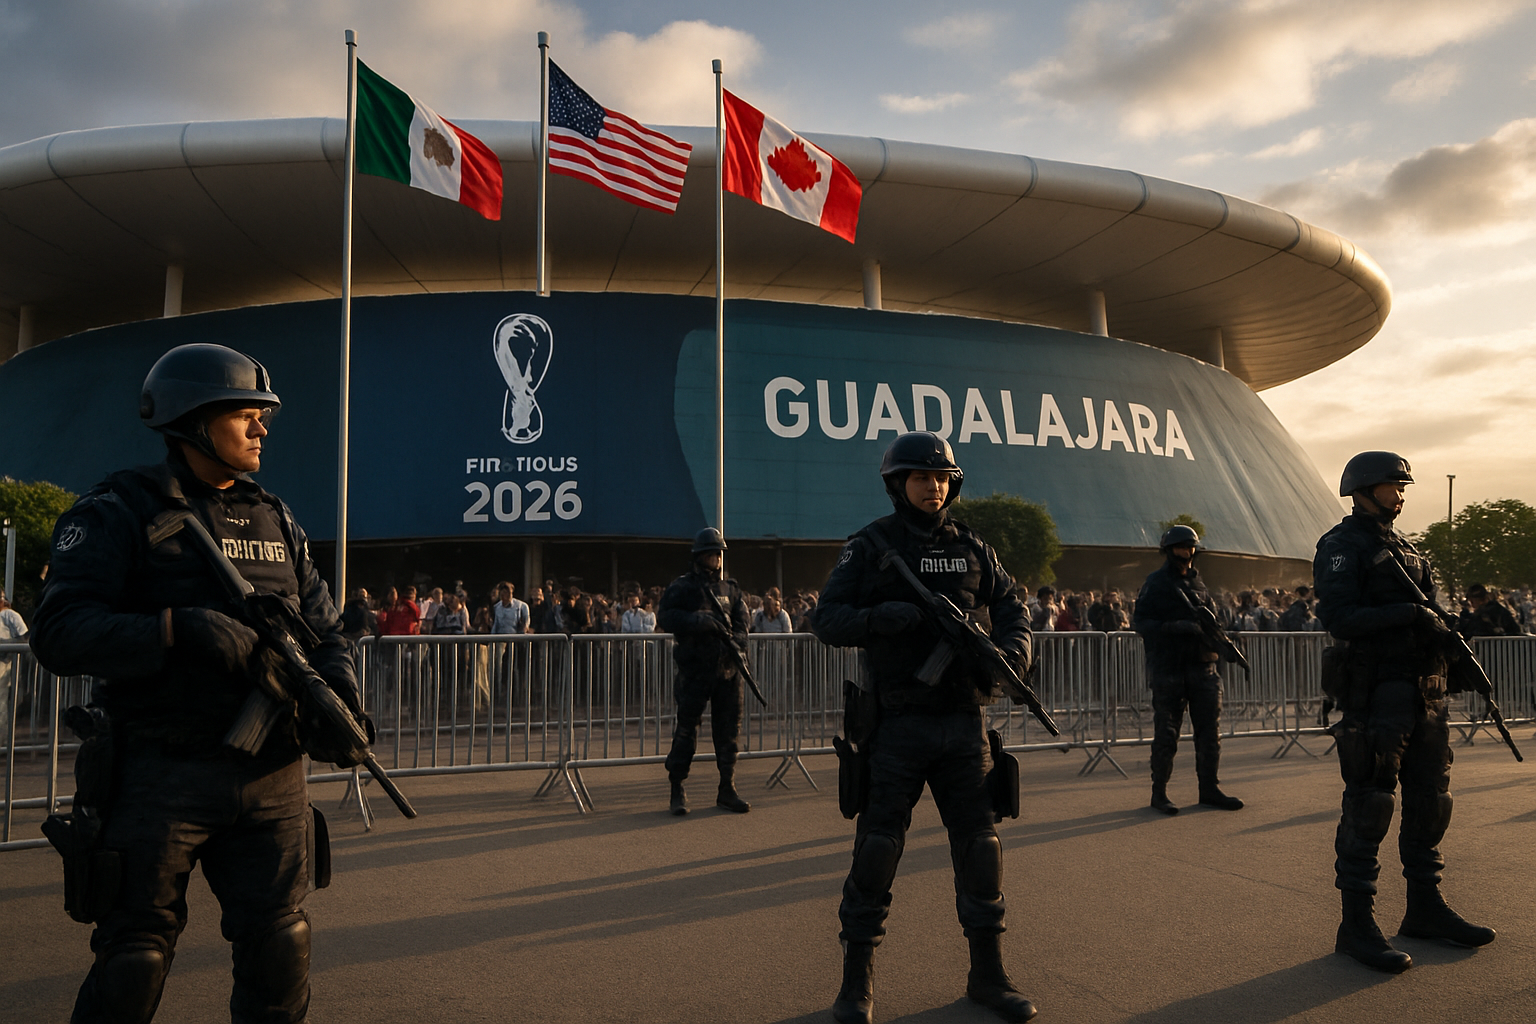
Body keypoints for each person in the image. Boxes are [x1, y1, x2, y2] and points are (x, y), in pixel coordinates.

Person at [29, 342, 367, 1023]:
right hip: (161, 771)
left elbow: (328, 630)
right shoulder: (120, 509)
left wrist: (339, 693)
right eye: (245, 414)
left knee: (280, 949)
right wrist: (174, 629)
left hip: (271, 775)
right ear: (191, 420)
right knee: (134, 960)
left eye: (261, 416)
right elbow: (59, 631)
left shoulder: (277, 519)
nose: (261, 428)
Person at [812, 431, 1037, 1024]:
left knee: (980, 850)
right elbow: (825, 617)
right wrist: (874, 618)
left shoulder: (973, 548)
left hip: (963, 725)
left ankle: (988, 976)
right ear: (897, 485)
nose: (933, 486)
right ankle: (855, 985)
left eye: (941, 478)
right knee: (877, 852)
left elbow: (1014, 606)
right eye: (920, 477)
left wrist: (1014, 649)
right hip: (896, 729)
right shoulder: (870, 547)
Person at [1314, 451, 1495, 973]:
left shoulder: (1411, 552)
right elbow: (1340, 617)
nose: (1400, 494)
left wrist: (1444, 633)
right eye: (1392, 485)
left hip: (1424, 693)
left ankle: (1425, 908)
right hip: (1378, 692)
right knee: (1370, 804)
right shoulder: (1342, 545)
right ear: (1363, 489)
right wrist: (1410, 613)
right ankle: (1357, 925)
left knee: (1431, 801)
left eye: (1402, 485)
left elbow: (1431, 616)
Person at [1132, 524, 1244, 816]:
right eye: (1181, 548)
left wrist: (1220, 643)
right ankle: (1160, 793)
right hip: (1169, 668)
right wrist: (1172, 627)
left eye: (1190, 547)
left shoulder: (1200, 586)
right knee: (1167, 734)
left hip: (1203, 668)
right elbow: (1140, 622)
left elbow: (1214, 625)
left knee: (1209, 733)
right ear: (1169, 551)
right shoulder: (1156, 584)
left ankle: (1209, 789)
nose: (1187, 553)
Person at [657, 528, 752, 816]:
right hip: (695, 671)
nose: (717, 558)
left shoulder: (730, 588)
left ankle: (727, 788)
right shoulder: (682, 587)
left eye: (719, 553)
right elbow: (666, 616)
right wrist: (696, 620)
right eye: (712, 553)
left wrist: (738, 640)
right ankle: (677, 788)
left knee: (729, 733)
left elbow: (742, 619)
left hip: (727, 671)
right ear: (700, 556)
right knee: (687, 731)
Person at [0, 590, 26, 745]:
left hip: (3, 664)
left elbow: (24, 636)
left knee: (1, 703)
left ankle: (2, 741)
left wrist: (7, 647)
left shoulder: (10, 615)